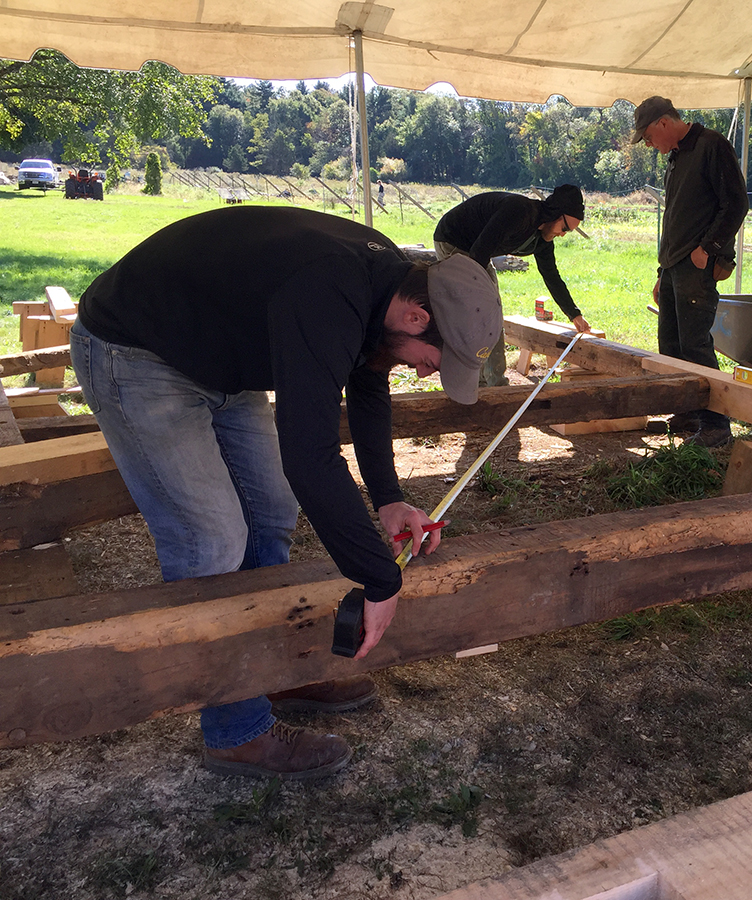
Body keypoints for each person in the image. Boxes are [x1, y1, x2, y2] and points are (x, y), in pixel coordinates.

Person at [70, 206, 503, 781]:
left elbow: (369, 381)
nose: (427, 375)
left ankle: (271, 669)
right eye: (435, 361)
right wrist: (380, 578)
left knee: (272, 510)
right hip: (139, 351)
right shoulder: (329, 291)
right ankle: (234, 731)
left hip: (223, 356)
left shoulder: (386, 286)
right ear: (419, 316)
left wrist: (389, 498)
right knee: (211, 539)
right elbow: (311, 456)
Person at [632, 96, 749, 447]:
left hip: (696, 264)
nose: (650, 145)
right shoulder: (678, 156)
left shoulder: (711, 146)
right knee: (670, 343)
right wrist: (662, 270)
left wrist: (709, 249)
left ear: (664, 123)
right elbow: (676, 218)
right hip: (673, 264)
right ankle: (684, 412)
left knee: (695, 344)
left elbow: (737, 204)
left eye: (649, 137)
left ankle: (715, 425)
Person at [433, 185, 590, 386]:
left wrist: (573, 313)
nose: (563, 234)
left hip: (478, 251)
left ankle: (483, 382)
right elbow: (479, 251)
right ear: (555, 214)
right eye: (565, 228)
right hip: (453, 239)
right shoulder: (519, 212)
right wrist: (479, 297)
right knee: (484, 313)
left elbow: (551, 276)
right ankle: (490, 384)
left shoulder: (542, 240)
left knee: (489, 313)